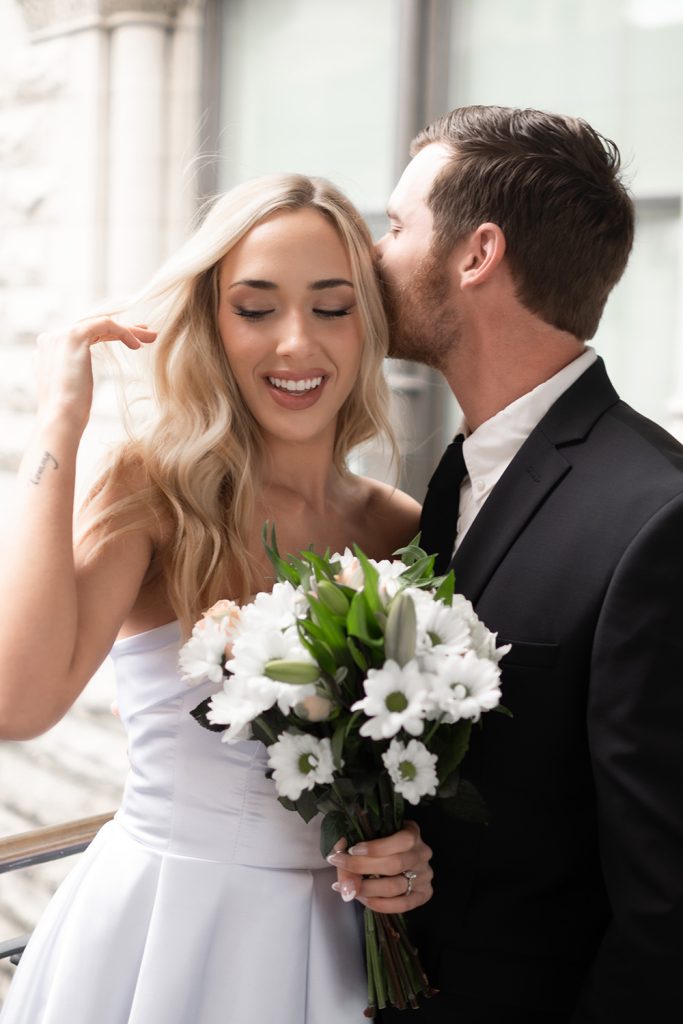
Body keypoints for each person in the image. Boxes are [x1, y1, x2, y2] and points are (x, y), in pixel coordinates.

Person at [0, 173, 434, 1024]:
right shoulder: (154, 493)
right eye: (255, 307)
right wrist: (56, 422)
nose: (296, 344)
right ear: (211, 323)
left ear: (368, 326)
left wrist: (407, 854)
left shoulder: (401, 529)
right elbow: (19, 701)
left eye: (332, 306)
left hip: (338, 958)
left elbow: (405, 773)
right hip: (157, 939)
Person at [338, 105, 683, 1021]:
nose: (372, 256)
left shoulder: (656, 517)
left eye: (397, 225)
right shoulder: (456, 472)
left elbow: (667, 905)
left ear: (476, 254)